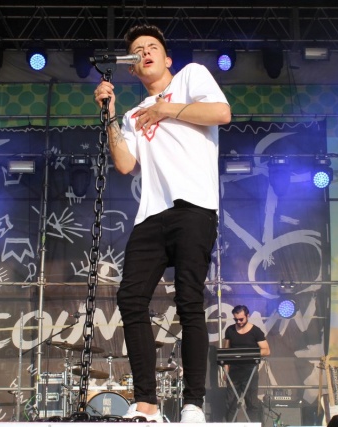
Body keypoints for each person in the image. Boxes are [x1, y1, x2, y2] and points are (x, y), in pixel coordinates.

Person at [94, 24, 231, 423]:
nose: (145, 53)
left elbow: (221, 113)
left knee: (188, 300)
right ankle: (147, 404)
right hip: (152, 213)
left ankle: (193, 405)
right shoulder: (134, 114)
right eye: (137, 51)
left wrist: (165, 109)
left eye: (151, 47)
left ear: (167, 57)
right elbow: (125, 164)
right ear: (132, 68)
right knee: (130, 298)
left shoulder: (191, 77)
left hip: (195, 207)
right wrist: (110, 115)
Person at [223, 305, 270, 422]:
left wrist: (250, 353)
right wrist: (226, 370)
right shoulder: (230, 330)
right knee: (230, 403)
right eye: (236, 320)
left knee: (252, 403)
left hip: (250, 372)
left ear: (247, 316)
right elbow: (225, 352)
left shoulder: (256, 331)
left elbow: (266, 350)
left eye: (241, 319)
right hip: (233, 373)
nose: (238, 322)